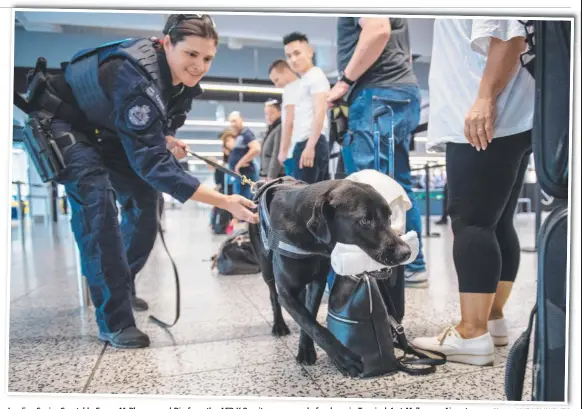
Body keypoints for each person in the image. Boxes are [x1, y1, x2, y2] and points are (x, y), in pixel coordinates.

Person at [24, 14, 258, 349]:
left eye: (207, 58)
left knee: (146, 203)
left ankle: (119, 282)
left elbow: (154, 135)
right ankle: (115, 320)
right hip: (65, 122)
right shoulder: (136, 77)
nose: (199, 66)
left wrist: (164, 139)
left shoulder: (183, 86)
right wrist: (224, 200)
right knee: (98, 206)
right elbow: (152, 165)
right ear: (166, 44)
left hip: (107, 132)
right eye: (191, 54)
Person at [411, 19, 534, 365]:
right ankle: (491, 320)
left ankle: (471, 332)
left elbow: (509, 35)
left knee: (472, 223)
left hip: (484, 117)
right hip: (506, 115)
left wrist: (484, 98)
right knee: (496, 223)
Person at [327, 17, 428, 287]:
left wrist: (345, 81)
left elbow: (378, 30)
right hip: (400, 90)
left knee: (367, 187)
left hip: (376, 91)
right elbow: (403, 52)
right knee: (398, 185)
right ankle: (412, 265)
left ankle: (375, 268)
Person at [280, 32, 330, 184]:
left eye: (297, 53)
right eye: (289, 56)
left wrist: (310, 146)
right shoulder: (305, 80)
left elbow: (320, 111)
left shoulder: (316, 76)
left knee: (304, 200)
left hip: (310, 142)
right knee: (309, 198)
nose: (293, 59)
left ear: (310, 51)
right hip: (305, 144)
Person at [268, 59, 300, 176]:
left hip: (294, 152)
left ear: (286, 71)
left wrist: (283, 151)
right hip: (307, 147)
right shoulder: (306, 86)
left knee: (298, 191)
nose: (277, 85)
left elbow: (289, 122)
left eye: (277, 80)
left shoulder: (290, 90)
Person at [227, 111, 261, 199]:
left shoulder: (246, 133)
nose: (232, 124)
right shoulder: (240, 135)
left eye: (234, 121)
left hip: (245, 173)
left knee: (244, 201)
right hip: (240, 175)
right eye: (231, 122)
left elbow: (256, 148)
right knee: (239, 200)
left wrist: (239, 164)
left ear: (241, 120)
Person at [259, 99, 285, 181]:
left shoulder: (280, 128)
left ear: (280, 112)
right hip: (268, 174)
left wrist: (271, 176)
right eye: (266, 114)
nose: (268, 117)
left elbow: (276, 153)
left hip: (275, 175)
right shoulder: (271, 129)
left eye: (271, 113)